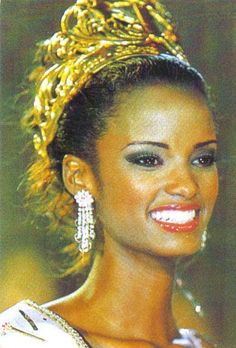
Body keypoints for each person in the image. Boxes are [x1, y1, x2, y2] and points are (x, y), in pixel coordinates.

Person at [0, 0, 219, 347]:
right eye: (148, 159)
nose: (187, 185)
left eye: (203, 159)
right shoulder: (26, 340)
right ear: (80, 177)